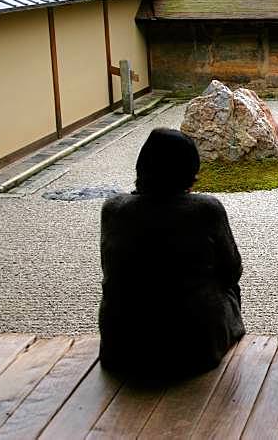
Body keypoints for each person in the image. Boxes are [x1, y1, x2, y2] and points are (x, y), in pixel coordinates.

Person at [98, 127, 244, 380]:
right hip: (193, 352)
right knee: (229, 287)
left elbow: (111, 269)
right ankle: (224, 333)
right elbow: (232, 271)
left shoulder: (113, 209)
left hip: (121, 350)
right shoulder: (205, 209)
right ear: (189, 171)